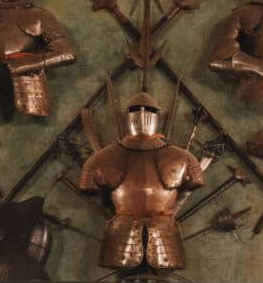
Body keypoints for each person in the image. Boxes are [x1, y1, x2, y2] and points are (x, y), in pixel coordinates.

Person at [79, 92, 204, 270]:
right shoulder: (183, 157)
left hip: (162, 231)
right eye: (136, 111)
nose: (142, 114)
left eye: (148, 111)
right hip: (122, 231)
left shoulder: (102, 157)